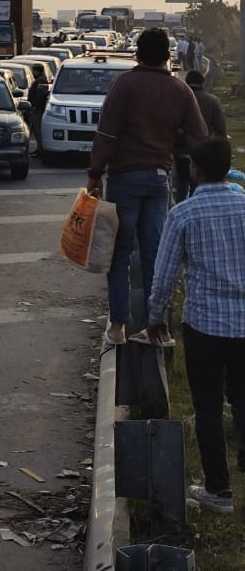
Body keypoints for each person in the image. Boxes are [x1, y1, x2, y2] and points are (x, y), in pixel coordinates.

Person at [142, 136, 245, 514]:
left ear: (195, 170)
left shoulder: (183, 214)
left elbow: (164, 274)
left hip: (206, 326)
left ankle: (219, 492)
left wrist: (155, 317)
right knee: (242, 398)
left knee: (208, 409)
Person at [88, 28, 208, 346]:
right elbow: (200, 136)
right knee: (156, 254)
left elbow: (107, 135)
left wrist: (94, 174)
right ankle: (159, 328)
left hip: (125, 178)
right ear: (168, 56)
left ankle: (117, 327)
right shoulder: (181, 90)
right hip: (159, 178)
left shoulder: (124, 85)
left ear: (137, 54)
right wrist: (176, 137)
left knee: (120, 253)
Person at [174, 70, 229, 202]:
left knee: (180, 188)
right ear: (202, 83)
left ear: (186, 82)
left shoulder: (178, 100)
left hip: (180, 151)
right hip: (203, 152)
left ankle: (181, 208)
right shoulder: (212, 101)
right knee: (198, 187)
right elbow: (220, 130)